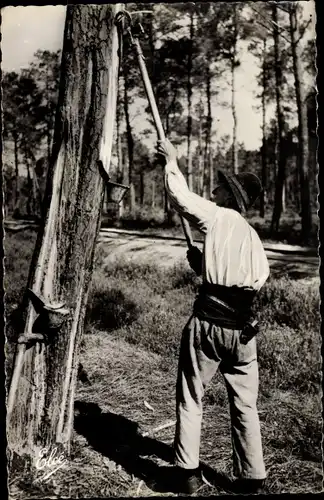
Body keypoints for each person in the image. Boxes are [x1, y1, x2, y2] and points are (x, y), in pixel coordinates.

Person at [156, 138, 270, 495]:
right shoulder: (252, 237)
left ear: (229, 196)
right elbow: (246, 285)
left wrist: (171, 161)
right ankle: (252, 476)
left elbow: (181, 197)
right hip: (244, 333)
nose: (214, 189)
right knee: (245, 402)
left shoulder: (217, 216)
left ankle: (186, 473)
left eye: (220, 186)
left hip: (209, 326)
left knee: (191, 395)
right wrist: (203, 265)